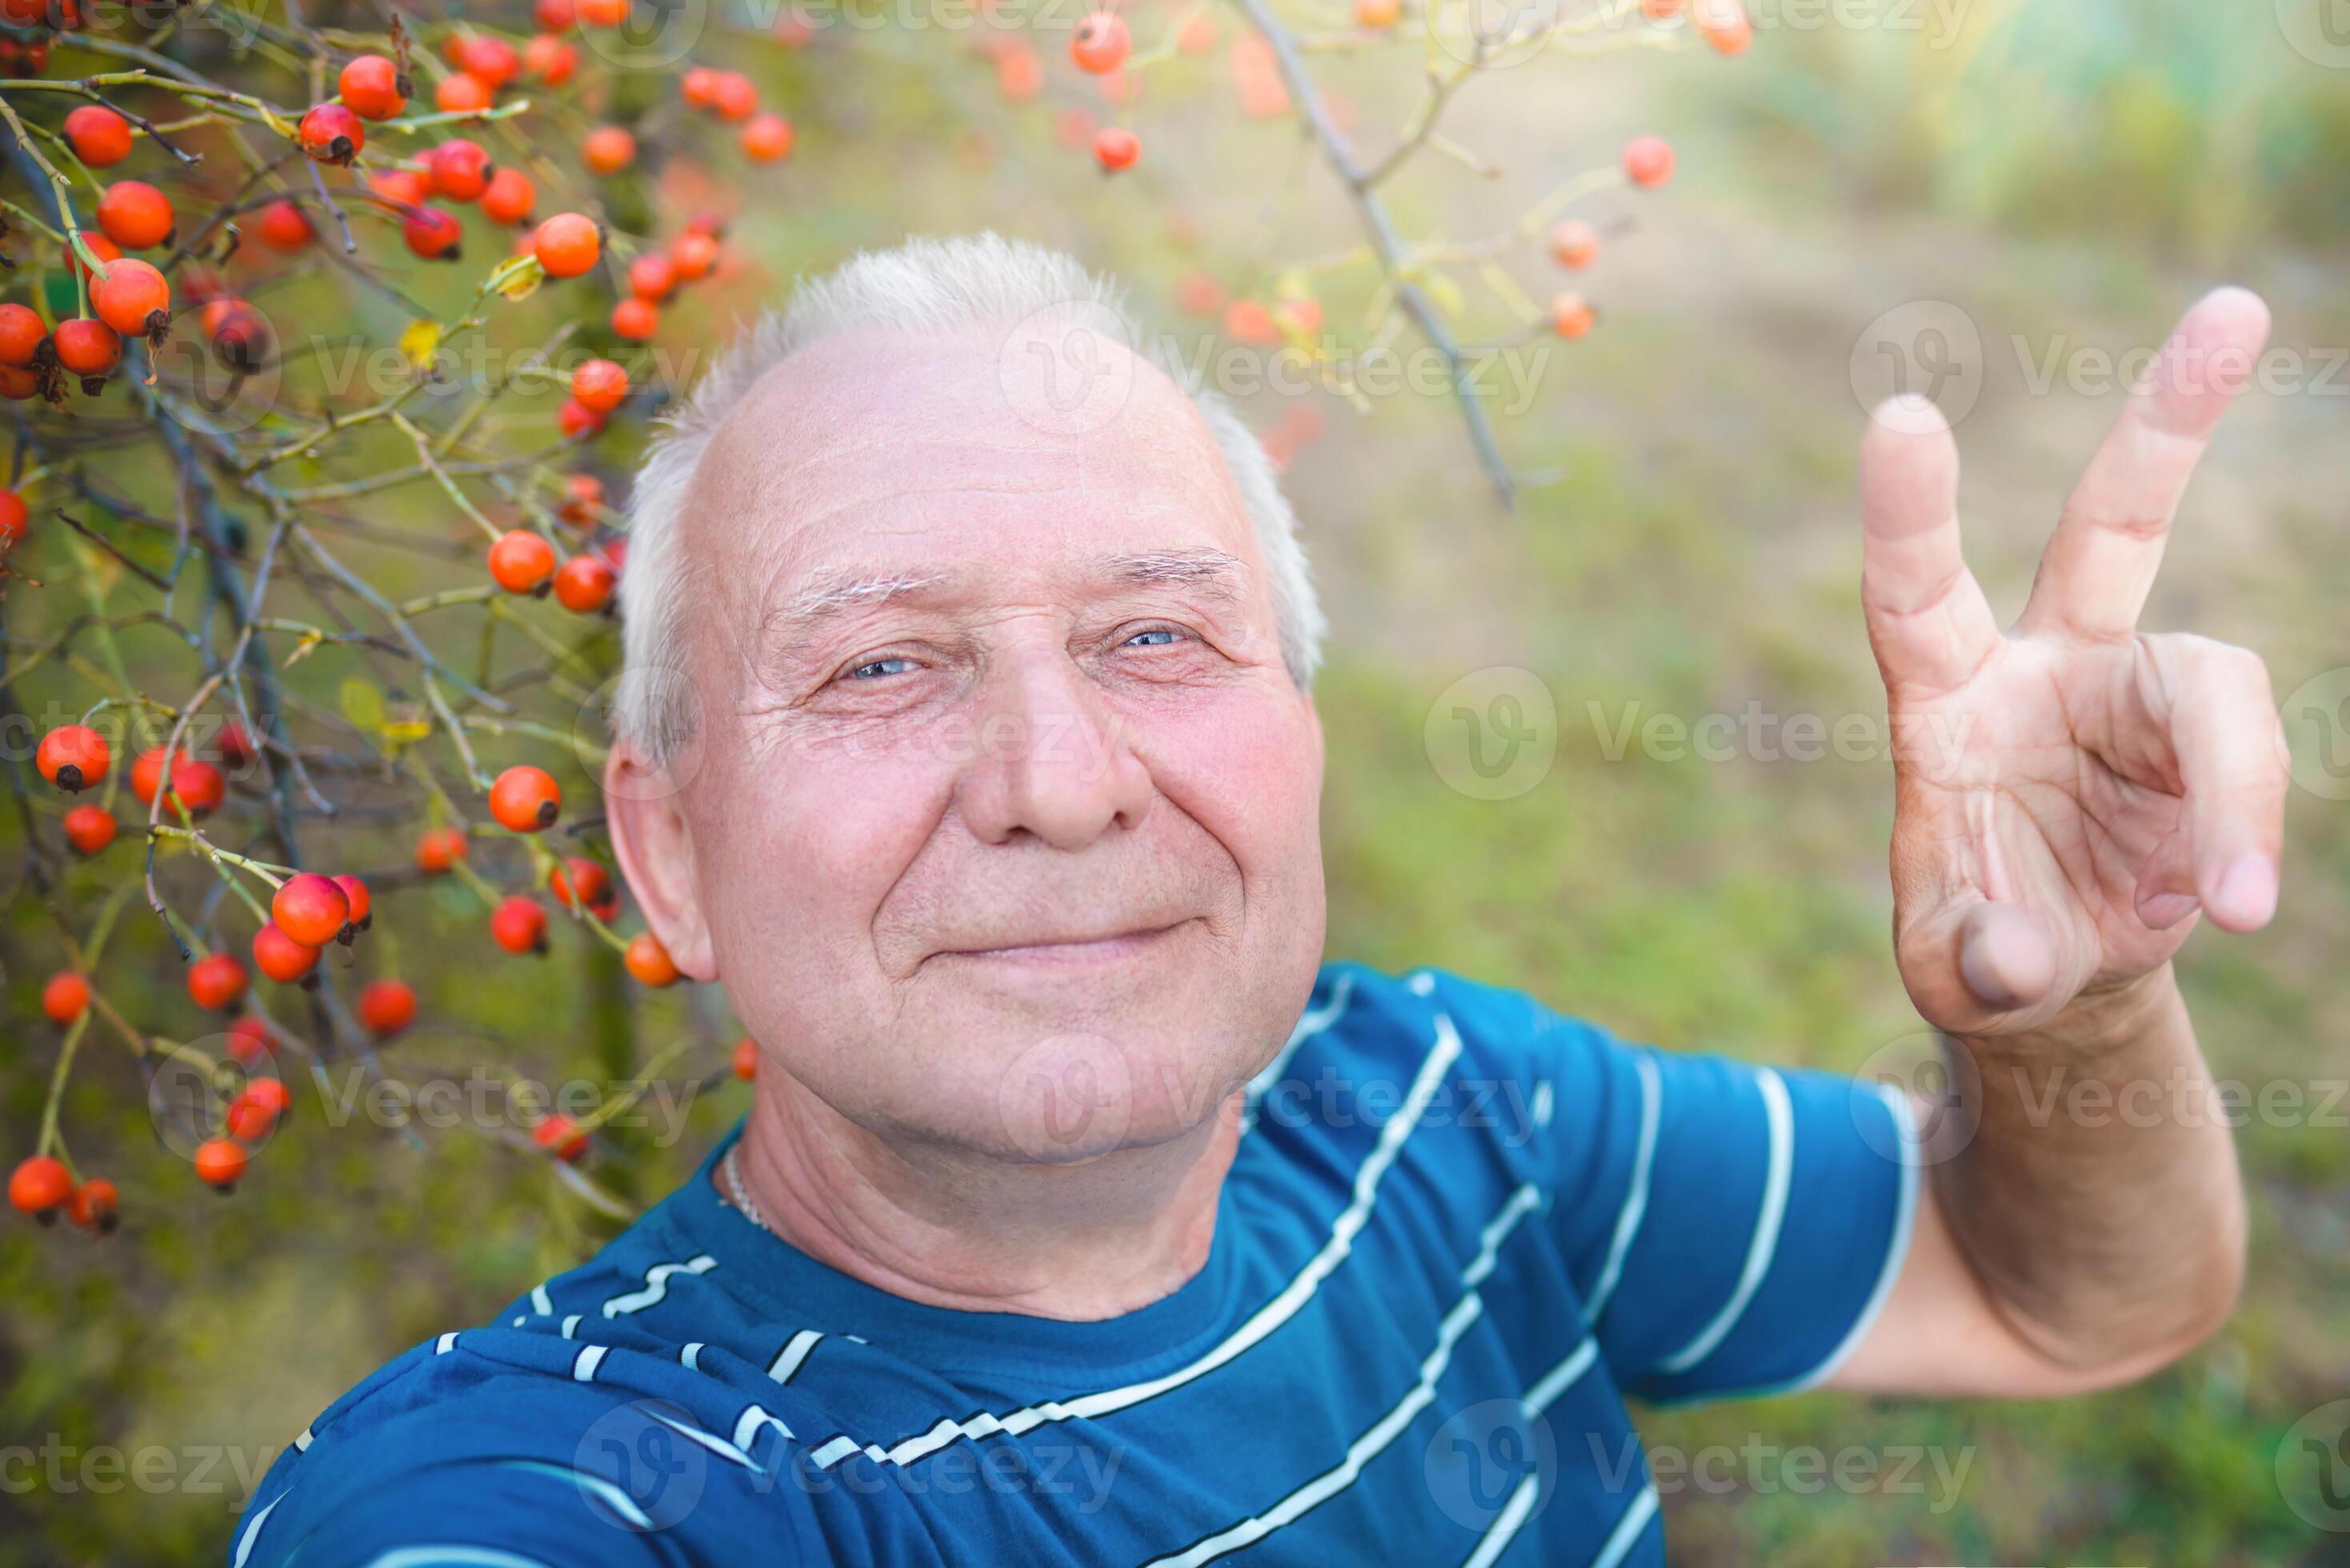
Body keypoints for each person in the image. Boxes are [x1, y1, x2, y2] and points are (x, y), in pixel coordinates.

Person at [230, 234, 2282, 1566]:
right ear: (666, 853)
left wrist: (2073, 1007)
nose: (1057, 781)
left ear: (1298, 734)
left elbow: (2060, 1296)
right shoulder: (580, 1490)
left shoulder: (1431, 1104)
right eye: (877, 665)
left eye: (1151, 637)